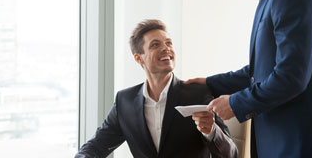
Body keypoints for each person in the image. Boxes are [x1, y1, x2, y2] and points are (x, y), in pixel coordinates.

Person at [185, 0, 312, 157]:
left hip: (303, 143)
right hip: (284, 142)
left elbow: (291, 77)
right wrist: (210, 83)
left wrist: (235, 104)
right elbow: (261, 71)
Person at [75, 20, 238, 158]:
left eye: (169, 43)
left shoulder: (198, 93)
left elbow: (232, 154)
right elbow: (95, 147)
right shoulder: (125, 101)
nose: (166, 48)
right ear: (139, 58)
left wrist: (211, 131)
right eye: (155, 44)